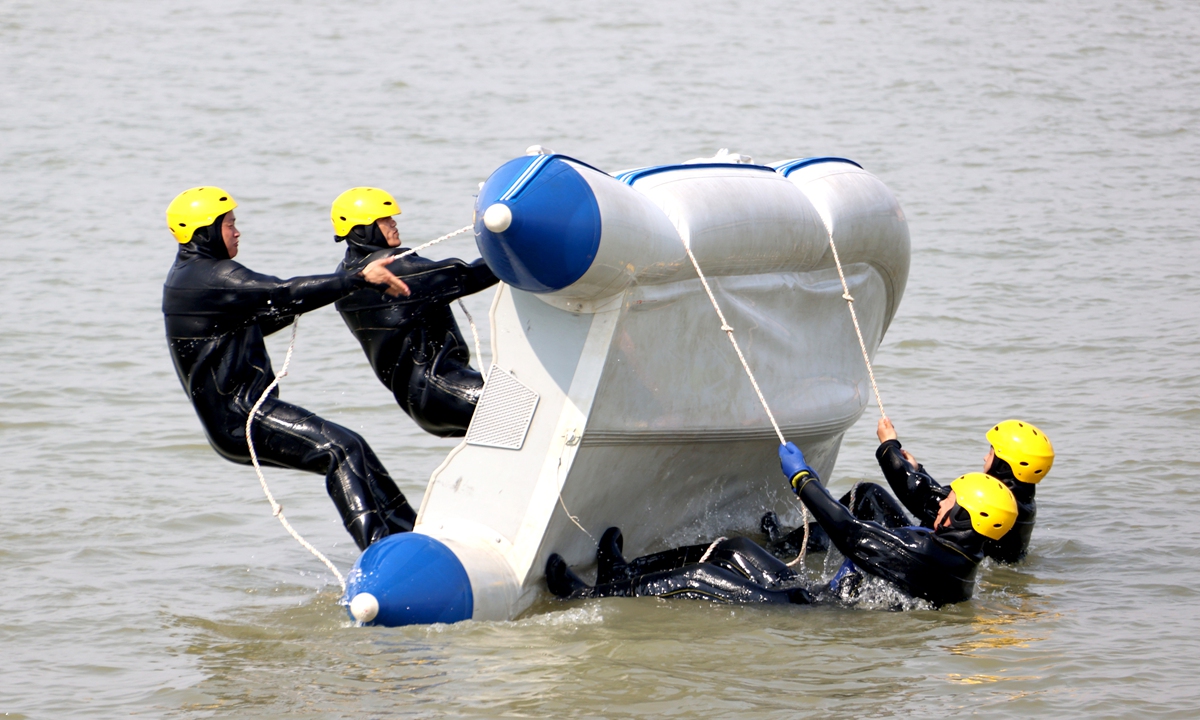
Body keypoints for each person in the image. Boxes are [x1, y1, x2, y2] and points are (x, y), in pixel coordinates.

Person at [163, 186, 418, 551]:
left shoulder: (190, 275)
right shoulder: (214, 275)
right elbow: (282, 292)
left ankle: (410, 535)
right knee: (340, 449)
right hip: (243, 418)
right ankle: (382, 551)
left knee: (350, 446)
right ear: (204, 230)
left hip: (237, 418)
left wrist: (332, 292)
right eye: (229, 224)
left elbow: (261, 317)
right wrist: (358, 279)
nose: (237, 231)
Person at [767, 418, 1054, 565]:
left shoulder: (998, 502)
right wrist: (919, 469)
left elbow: (922, 499)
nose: (984, 458)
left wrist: (889, 447)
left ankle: (784, 546)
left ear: (1005, 463)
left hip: (933, 559)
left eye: (991, 453)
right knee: (868, 496)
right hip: (950, 558)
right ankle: (801, 543)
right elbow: (943, 500)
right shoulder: (1017, 502)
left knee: (866, 497)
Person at [330, 187, 498, 437]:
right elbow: (469, 275)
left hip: (421, 402)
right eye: (384, 219)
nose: (393, 222)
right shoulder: (394, 268)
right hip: (446, 388)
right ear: (361, 229)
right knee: (530, 402)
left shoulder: (345, 278)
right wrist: (518, 246)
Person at [779, 441, 1018, 607]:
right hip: (833, 599)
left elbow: (850, 532)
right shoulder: (960, 557)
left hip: (818, 604)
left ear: (963, 517)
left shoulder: (922, 552)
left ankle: (779, 548)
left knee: (741, 549)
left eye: (949, 501)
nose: (942, 503)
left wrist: (803, 480)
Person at [545, 528, 812, 606]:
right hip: (805, 590)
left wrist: (803, 479)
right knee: (737, 546)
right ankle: (625, 574)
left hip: (804, 606)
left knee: (700, 576)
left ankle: (583, 596)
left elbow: (849, 534)